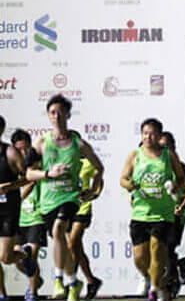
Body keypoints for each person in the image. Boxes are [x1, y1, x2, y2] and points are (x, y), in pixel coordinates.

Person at [25, 95, 104, 301]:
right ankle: (74, 282)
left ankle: (58, 280)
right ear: (49, 116)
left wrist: (93, 190)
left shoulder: (78, 144)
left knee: (59, 228)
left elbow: (99, 168)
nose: (57, 116)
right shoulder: (41, 142)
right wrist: (49, 173)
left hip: (70, 198)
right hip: (48, 201)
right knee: (60, 239)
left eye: (60, 112)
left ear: (68, 114)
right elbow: (28, 174)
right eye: (52, 112)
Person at [120, 118, 185, 301]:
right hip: (140, 213)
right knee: (140, 258)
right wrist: (130, 185)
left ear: (159, 136)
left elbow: (181, 179)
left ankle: (154, 290)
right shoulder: (134, 155)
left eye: (153, 133)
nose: (149, 137)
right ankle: (149, 277)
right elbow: (123, 179)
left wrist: (174, 187)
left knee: (157, 250)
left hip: (162, 213)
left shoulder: (168, 155)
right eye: (145, 133)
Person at [0, 122, 35, 301]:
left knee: (5, 258)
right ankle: (2, 294)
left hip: (8, 210)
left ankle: (24, 254)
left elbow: (27, 178)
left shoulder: (10, 153)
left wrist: (9, 187)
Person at [159, 132, 185, 295]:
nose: (165, 150)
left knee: (169, 245)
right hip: (159, 214)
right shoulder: (157, 167)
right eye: (162, 147)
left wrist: (182, 206)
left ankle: (173, 278)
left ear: (173, 147)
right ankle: (178, 268)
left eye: (167, 146)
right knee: (161, 248)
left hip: (177, 215)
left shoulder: (182, 168)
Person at [12, 129, 46, 301]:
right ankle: (36, 281)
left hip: (36, 217)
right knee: (15, 258)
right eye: (20, 150)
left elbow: (32, 182)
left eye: (26, 148)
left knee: (31, 255)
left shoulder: (36, 165)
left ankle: (32, 293)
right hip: (17, 220)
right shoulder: (10, 166)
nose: (24, 153)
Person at [68, 154, 103, 301]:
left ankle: (73, 285)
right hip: (67, 207)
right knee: (76, 248)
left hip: (83, 209)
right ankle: (91, 280)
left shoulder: (88, 162)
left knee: (72, 243)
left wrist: (94, 194)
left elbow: (99, 178)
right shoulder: (65, 162)